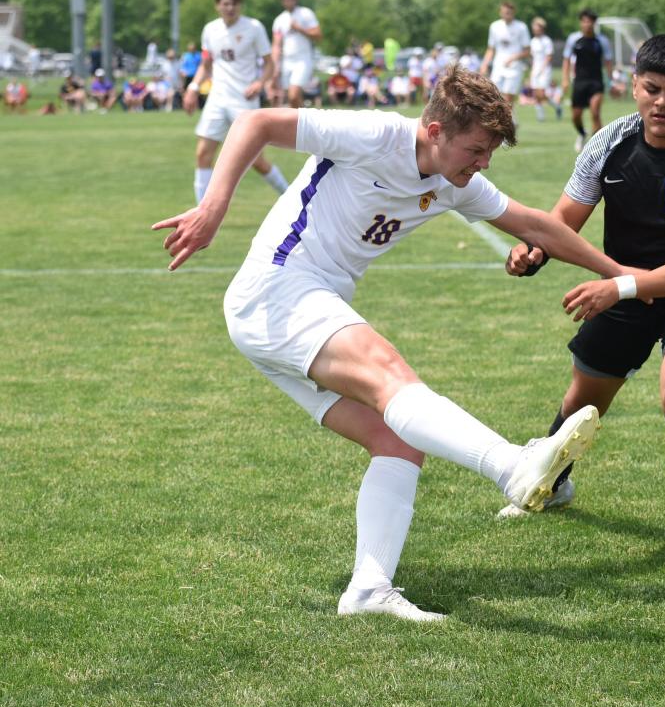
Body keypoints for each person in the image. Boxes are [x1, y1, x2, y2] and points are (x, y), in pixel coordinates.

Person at [152, 66, 625, 621]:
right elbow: (256, 122)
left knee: (398, 439)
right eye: (476, 149)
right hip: (277, 290)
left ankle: (369, 591)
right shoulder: (375, 136)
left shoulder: (456, 183)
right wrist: (213, 207)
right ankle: (510, 468)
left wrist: (623, 277)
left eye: (489, 153)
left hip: (291, 308)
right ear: (433, 131)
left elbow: (538, 228)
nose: (483, 164)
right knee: (390, 375)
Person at [500, 35, 665, 565]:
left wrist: (621, 285)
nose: (663, 102)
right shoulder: (609, 142)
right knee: (583, 400)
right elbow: (562, 221)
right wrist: (531, 251)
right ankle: (553, 480)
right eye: (652, 89)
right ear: (633, 87)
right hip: (623, 289)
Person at [183, 0, 289, 205]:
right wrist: (193, 88)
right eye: (226, 4)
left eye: (234, 4)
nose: (230, 8)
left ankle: (289, 196)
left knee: (256, 161)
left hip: (243, 102)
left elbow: (270, 64)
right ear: (217, 6)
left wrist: (261, 83)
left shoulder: (254, 28)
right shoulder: (210, 30)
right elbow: (206, 63)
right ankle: (201, 213)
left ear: (240, 6)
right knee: (203, 154)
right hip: (217, 99)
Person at [562, 9, 613, 152]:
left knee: (595, 113)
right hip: (579, 82)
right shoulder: (573, 39)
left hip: (596, 82)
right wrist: (565, 79)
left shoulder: (602, 41)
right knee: (575, 116)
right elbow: (566, 60)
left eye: (590, 21)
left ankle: (598, 147)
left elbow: (608, 62)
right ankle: (582, 133)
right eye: (584, 21)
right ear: (581, 23)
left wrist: (612, 81)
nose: (587, 24)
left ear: (594, 23)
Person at [270, 0, 322, 109]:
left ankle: (300, 122)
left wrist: (299, 29)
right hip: (287, 61)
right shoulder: (279, 20)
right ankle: (302, 123)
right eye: (285, 0)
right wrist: (275, 66)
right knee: (293, 98)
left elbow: (318, 35)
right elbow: (276, 45)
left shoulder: (306, 13)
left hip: (302, 59)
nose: (288, 2)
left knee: (293, 94)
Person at [479, 1, 531, 119]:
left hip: (514, 68)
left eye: (510, 13)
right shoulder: (495, 26)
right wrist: (484, 64)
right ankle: (511, 121)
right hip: (498, 66)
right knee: (495, 96)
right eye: (505, 12)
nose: (507, 15)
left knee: (508, 98)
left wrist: (514, 57)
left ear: (513, 13)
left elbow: (528, 51)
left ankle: (507, 126)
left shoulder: (521, 27)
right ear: (500, 12)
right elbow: (491, 49)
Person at [529, 17, 560, 122]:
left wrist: (542, 68)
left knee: (541, 93)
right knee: (536, 94)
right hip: (535, 69)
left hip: (545, 70)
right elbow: (533, 57)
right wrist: (533, 70)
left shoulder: (547, 40)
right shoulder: (533, 41)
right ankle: (540, 116)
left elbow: (549, 56)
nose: (534, 29)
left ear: (541, 28)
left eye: (536, 27)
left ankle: (557, 107)